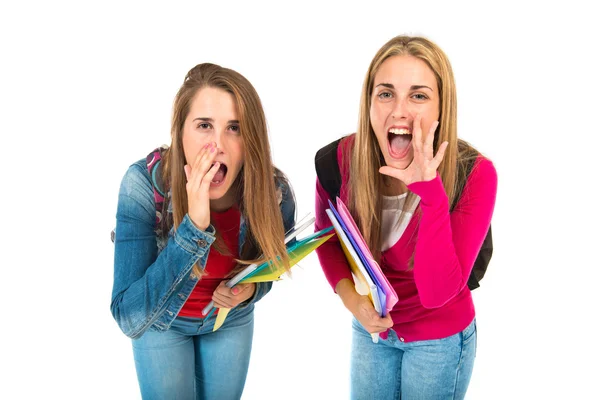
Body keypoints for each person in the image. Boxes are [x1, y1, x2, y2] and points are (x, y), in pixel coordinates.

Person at [314, 35, 497, 399]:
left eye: (418, 95)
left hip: (439, 338)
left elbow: (436, 293)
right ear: (369, 105)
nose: (399, 111)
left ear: (442, 108)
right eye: (385, 94)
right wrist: (355, 304)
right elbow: (327, 239)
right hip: (374, 333)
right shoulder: (337, 162)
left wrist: (430, 192)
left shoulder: (475, 175)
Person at [111, 63, 296, 400]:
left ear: (250, 138)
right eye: (204, 126)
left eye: (235, 128)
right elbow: (128, 316)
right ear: (180, 133)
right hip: (161, 323)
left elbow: (273, 263)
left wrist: (251, 292)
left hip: (229, 321)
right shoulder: (142, 185)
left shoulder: (274, 192)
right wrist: (193, 228)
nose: (218, 144)